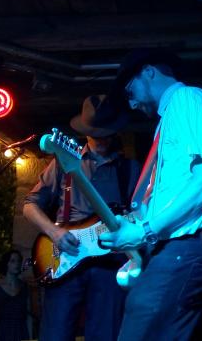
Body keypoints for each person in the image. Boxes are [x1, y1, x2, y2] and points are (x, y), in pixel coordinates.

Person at [99, 48, 202, 341]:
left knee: (140, 328)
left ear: (149, 72)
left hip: (189, 245)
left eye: (129, 89)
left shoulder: (187, 99)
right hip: (178, 246)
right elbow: (178, 189)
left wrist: (144, 230)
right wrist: (136, 221)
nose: (130, 103)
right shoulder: (168, 119)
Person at [23, 94, 140, 341]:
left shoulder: (130, 169)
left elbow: (142, 214)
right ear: (86, 131)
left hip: (110, 265)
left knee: (105, 334)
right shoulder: (64, 162)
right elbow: (29, 205)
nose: (102, 139)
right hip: (65, 260)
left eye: (107, 132)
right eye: (96, 132)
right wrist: (54, 232)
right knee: (55, 334)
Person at [0, 250, 33, 341]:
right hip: (0, 333)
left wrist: (30, 339)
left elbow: (28, 316)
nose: (17, 264)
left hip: (20, 332)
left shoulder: (25, 288)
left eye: (18, 261)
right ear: (6, 264)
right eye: (12, 261)